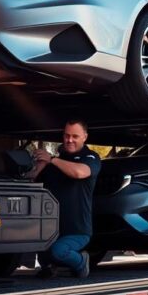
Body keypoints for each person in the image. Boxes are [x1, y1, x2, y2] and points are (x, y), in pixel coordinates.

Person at [30, 119, 102, 279]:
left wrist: (52, 159)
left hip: (77, 229)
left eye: (75, 136)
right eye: (66, 135)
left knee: (59, 251)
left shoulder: (91, 157)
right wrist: (42, 163)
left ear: (85, 137)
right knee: (44, 258)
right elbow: (32, 181)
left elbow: (79, 173)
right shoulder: (55, 161)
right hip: (51, 229)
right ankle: (54, 266)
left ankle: (82, 262)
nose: (69, 140)